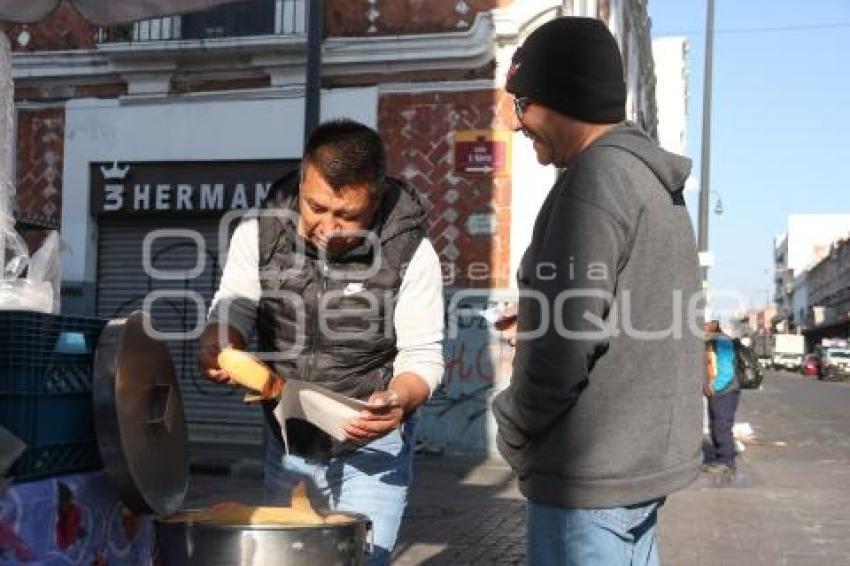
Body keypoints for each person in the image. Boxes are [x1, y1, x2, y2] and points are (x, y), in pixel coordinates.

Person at [491, 17, 703, 565]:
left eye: (521, 104)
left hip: (585, 484)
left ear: (559, 98)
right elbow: (639, 310)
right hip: (632, 477)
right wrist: (542, 312)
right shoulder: (650, 180)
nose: (517, 125)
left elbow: (565, 351)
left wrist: (513, 432)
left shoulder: (593, 181)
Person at [197, 119, 445, 566]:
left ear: (376, 197)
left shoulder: (412, 252)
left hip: (373, 444)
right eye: (315, 207)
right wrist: (219, 344)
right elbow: (231, 311)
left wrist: (398, 400)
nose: (326, 226)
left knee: (362, 560)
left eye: (346, 215)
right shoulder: (257, 233)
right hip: (290, 439)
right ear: (302, 177)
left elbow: (423, 356)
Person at [703, 320, 740, 479]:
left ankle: (727, 462)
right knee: (715, 425)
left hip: (725, 392)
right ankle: (720, 459)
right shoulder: (711, 342)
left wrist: (714, 386)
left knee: (721, 426)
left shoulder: (722, 341)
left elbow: (726, 370)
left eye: (705, 326)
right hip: (717, 392)